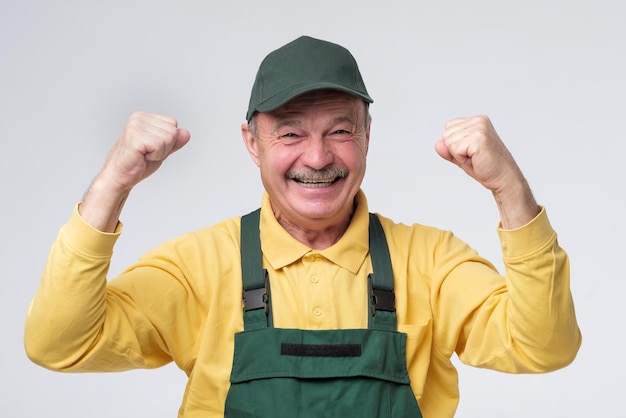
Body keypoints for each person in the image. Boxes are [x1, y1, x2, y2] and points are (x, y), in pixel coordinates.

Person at [24, 35, 581, 418]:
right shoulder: (200, 266)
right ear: (252, 143)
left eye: (340, 129)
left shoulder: (430, 262)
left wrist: (510, 189)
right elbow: (60, 345)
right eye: (290, 133)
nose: (318, 157)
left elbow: (544, 348)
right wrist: (110, 185)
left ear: (367, 135)